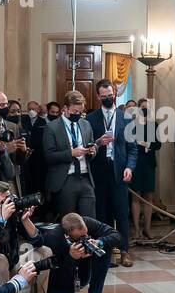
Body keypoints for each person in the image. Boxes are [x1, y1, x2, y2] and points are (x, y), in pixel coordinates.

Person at [87, 79, 138, 266]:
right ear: (98, 96)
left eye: (111, 95)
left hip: (119, 171)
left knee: (122, 214)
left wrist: (129, 167)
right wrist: (98, 143)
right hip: (99, 172)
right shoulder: (90, 119)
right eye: (104, 96)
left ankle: (125, 251)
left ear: (114, 94)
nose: (108, 98)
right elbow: (87, 147)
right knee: (103, 215)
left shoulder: (126, 118)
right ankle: (106, 253)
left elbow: (133, 149)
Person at [41, 212, 121, 293]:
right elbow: (54, 272)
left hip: (81, 273)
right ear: (68, 236)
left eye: (86, 235)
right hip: (60, 279)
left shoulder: (87, 223)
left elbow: (116, 235)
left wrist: (99, 242)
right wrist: (71, 257)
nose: (85, 238)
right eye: (81, 237)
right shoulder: (54, 238)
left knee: (105, 247)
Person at [44, 90, 97, 218]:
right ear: (65, 109)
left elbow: (92, 145)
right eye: (75, 112)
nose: (78, 114)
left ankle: (88, 239)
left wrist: (92, 151)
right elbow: (48, 156)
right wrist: (71, 153)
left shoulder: (86, 125)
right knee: (69, 222)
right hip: (65, 179)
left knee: (90, 220)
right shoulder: (52, 127)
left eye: (81, 112)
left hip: (85, 178)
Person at [130, 98, 162, 242]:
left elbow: (158, 144)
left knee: (148, 197)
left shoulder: (153, 124)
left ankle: (147, 229)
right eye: (142, 107)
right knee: (135, 196)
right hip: (136, 163)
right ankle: (136, 229)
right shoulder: (131, 124)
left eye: (147, 108)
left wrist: (147, 143)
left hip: (149, 163)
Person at [0, 90, 28, 192]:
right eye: (2, 105)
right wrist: (6, 150)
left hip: (12, 181)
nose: (5, 108)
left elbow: (19, 161)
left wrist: (22, 150)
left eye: (6, 104)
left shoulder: (13, 127)